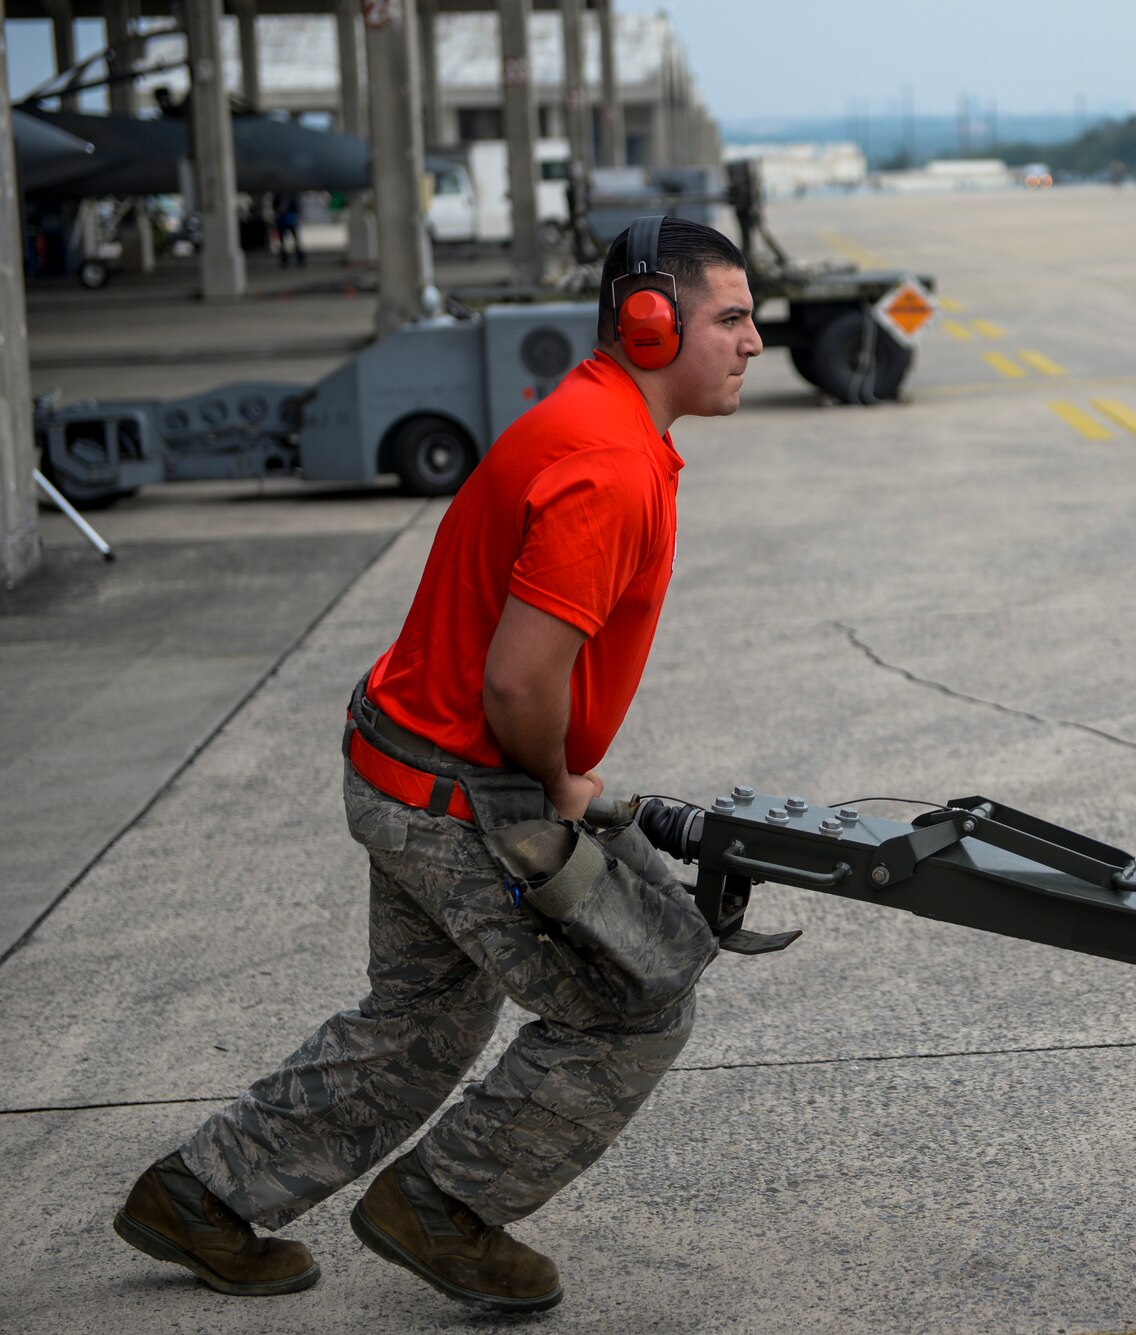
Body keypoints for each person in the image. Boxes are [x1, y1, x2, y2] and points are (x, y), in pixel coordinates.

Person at [111, 216, 765, 1312]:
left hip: (405, 757)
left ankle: (200, 1199)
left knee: (422, 1020)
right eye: (732, 318)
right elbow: (518, 683)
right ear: (649, 325)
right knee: (638, 997)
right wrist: (560, 785)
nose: (753, 341)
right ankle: (446, 1208)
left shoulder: (600, 426)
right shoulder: (608, 465)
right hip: (457, 787)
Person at [274, 193, 304, 268]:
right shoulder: (278, 197)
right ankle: (284, 261)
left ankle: (300, 259)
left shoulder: (292, 197)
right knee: (282, 243)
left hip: (290, 221)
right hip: (282, 222)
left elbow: (296, 208)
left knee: (296, 242)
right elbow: (275, 208)